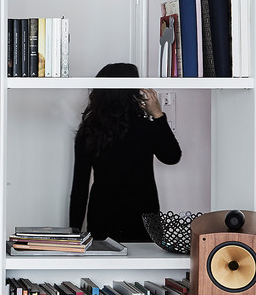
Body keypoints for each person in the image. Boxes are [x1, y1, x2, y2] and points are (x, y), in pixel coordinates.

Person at [68, 62, 181, 241]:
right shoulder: (146, 128)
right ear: (131, 93)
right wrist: (158, 114)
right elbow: (172, 156)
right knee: (144, 267)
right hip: (144, 219)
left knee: (106, 268)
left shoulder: (89, 132)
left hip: (103, 219)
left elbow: (79, 189)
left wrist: (73, 233)